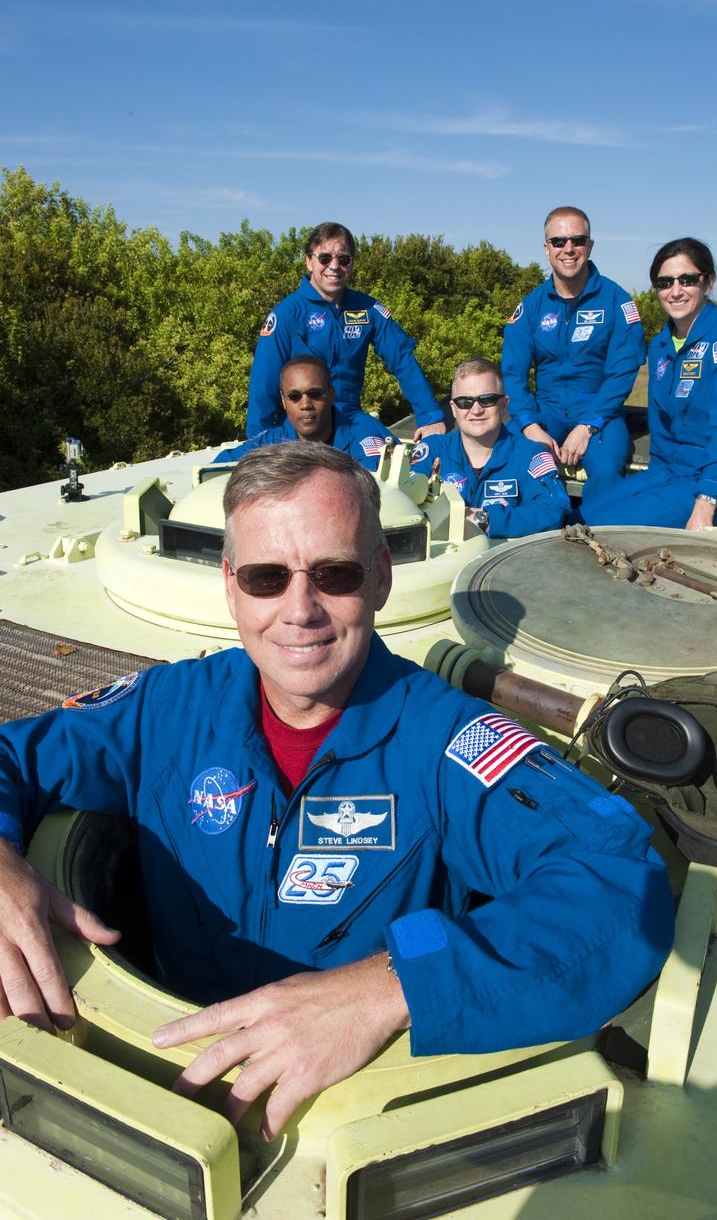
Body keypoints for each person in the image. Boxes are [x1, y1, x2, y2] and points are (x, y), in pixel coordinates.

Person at [0, 444, 674, 1141]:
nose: (300, 610)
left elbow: (620, 880)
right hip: (155, 1076)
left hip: (337, 1113)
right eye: (266, 578)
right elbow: (11, 752)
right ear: (230, 584)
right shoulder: (167, 707)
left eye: (335, 574)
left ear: (380, 576)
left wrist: (393, 985)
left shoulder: (446, 741)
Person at [582, 238, 717, 531]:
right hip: (670, 474)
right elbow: (663, 428)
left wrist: (705, 502)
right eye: (665, 282)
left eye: (687, 279)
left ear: (708, 283)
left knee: (604, 528)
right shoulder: (660, 346)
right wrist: (652, 486)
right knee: (584, 515)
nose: (676, 291)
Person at [246, 222, 445, 441]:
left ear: (351, 264)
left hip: (351, 421)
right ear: (309, 262)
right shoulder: (286, 314)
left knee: (390, 455)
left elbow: (402, 359)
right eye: (324, 258)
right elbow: (263, 384)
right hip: (301, 427)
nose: (334, 266)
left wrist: (430, 416)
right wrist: (258, 440)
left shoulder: (369, 309)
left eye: (343, 259)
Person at [501, 206, 645, 489]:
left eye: (577, 240)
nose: (568, 249)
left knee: (606, 470)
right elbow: (513, 374)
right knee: (508, 458)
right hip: (545, 410)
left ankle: (598, 520)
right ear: (547, 249)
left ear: (589, 246)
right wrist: (530, 426)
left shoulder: (617, 301)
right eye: (558, 241)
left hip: (600, 411)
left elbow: (622, 373)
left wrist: (588, 426)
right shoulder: (531, 306)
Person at [410, 358, 573, 537]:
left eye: (487, 400)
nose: (476, 410)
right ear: (454, 408)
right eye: (465, 402)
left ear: (504, 404)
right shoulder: (432, 450)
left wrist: (486, 520)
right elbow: (402, 498)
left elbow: (554, 509)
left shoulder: (531, 455)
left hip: (503, 554)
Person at [214, 354, 397, 472]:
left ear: (331, 395)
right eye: (294, 396)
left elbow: (375, 489)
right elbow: (216, 469)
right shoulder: (273, 441)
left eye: (315, 394)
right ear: (283, 401)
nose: (305, 404)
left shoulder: (363, 431)